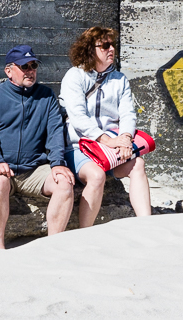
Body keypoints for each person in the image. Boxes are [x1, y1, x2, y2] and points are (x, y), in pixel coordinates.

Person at [0, 44, 75, 249]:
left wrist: (57, 163)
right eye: (24, 66)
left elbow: (55, 132)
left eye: (33, 66)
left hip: (33, 170)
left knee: (64, 184)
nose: (30, 71)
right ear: (9, 71)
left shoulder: (46, 96)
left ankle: (53, 247)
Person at [59, 26, 154, 226]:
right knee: (96, 175)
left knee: (138, 165)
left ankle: (146, 225)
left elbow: (128, 113)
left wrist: (125, 138)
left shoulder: (119, 79)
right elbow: (78, 117)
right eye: (104, 45)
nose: (111, 49)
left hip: (110, 149)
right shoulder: (74, 76)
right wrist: (108, 140)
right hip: (79, 147)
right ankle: (85, 232)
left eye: (112, 44)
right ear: (89, 49)